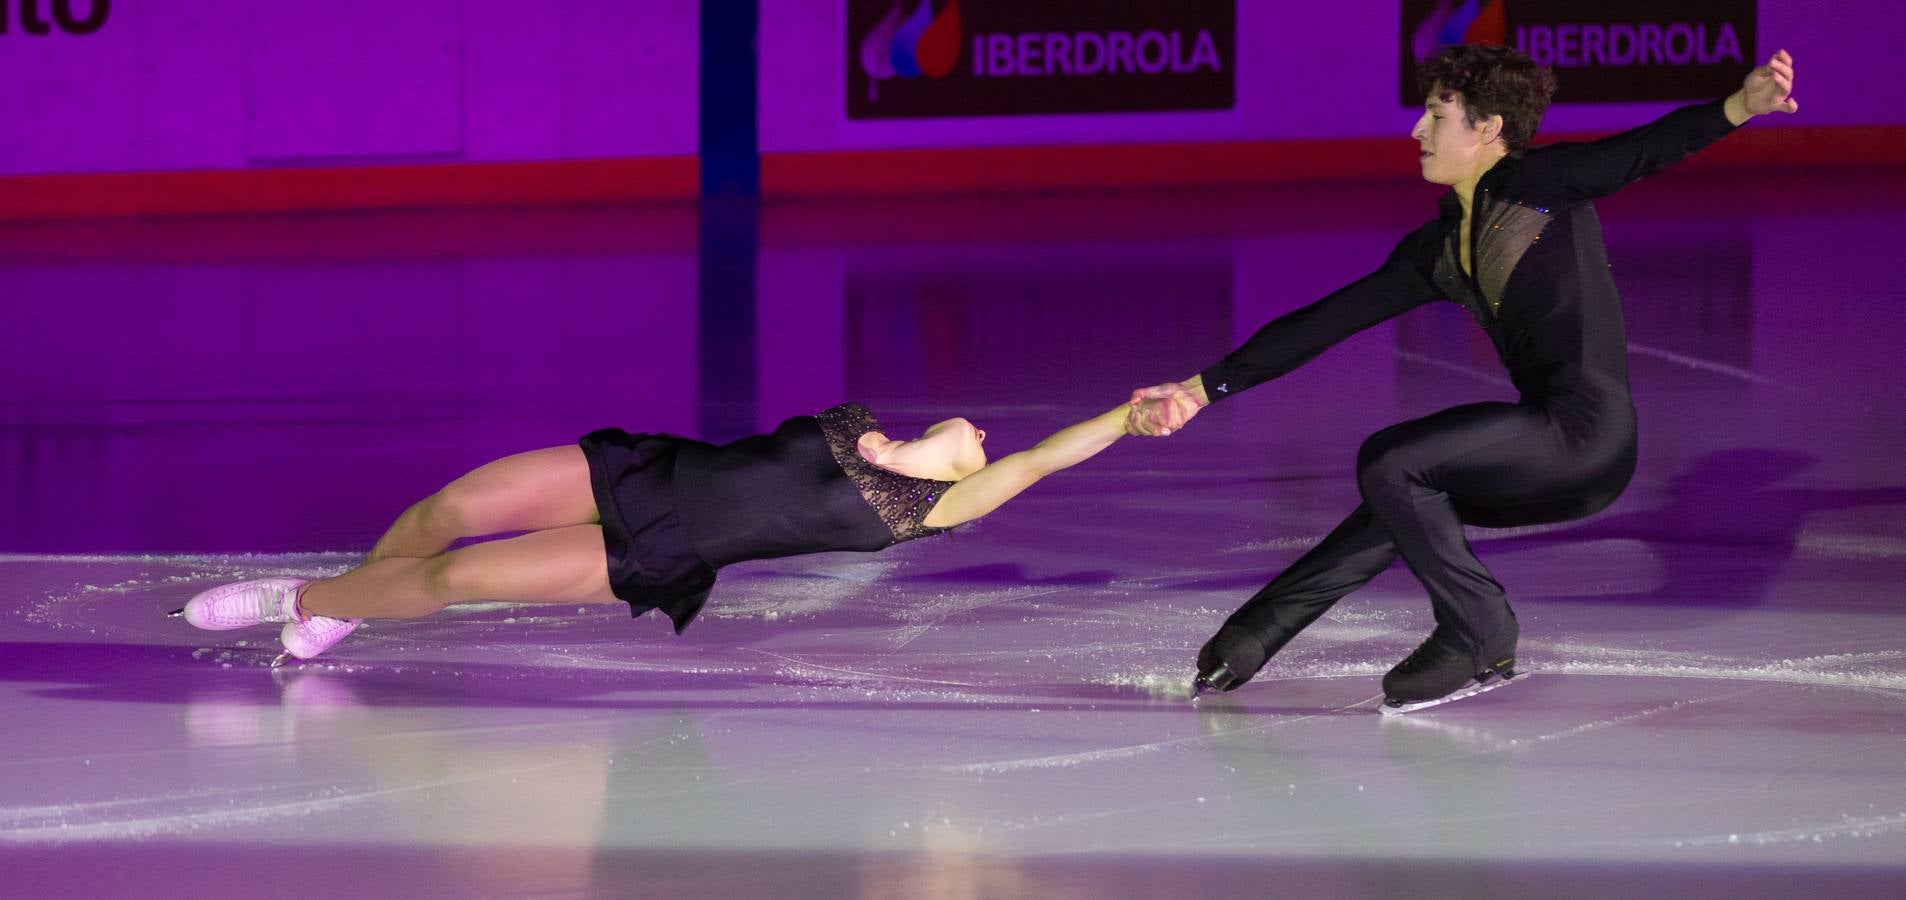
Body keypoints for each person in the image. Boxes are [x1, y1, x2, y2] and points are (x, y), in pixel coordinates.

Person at [1127, 45, 1800, 712]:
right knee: (1402, 498)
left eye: (1435, 114)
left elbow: (1645, 149)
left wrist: (1742, 105)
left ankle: (1478, 627)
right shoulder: (1440, 250)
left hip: (1585, 433)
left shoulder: (1542, 188)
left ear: (1486, 129)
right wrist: (1200, 387)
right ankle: (1251, 637)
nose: (1417, 131)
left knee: (1392, 462)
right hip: (1550, 448)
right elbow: (1324, 322)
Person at [177, 401, 1149, 662]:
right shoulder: (866, 426)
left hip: (654, 550)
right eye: (984, 430)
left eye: (989, 447)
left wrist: (1123, 417)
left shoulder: (926, 506)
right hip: (643, 469)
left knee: (453, 582)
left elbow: (1040, 461)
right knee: (452, 513)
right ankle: (352, 602)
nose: (987, 432)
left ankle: (303, 600)